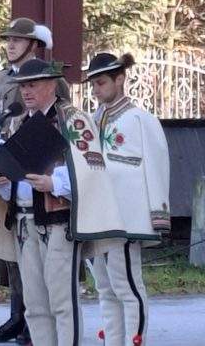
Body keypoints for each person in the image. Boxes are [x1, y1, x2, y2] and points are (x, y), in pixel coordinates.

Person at [0, 58, 126, 346]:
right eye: (23, 86)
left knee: (62, 301)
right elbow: (13, 175)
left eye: (32, 85)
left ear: (52, 85)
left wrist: (55, 183)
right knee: (36, 305)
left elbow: (93, 166)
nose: (25, 91)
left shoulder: (72, 118)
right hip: (24, 222)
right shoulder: (15, 123)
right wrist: (1, 180)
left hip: (59, 221)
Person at [0, 17, 70, 345]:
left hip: (47, 197)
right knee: (19, 268)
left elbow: (60, 136)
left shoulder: (55, 88)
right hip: (13, 187)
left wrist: (52, 180)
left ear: (34, 45)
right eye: (8, 40)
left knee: (51, 284)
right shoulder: (1, 80)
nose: (11, 45)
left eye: (18, 40)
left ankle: (36, 328)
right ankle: (19, 318)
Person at [86, 53, 170, 346]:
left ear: (120, 79)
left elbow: (157, 167)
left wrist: (156, 215)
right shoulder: (91, 121)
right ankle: (113, 341)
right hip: (96, 217)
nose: (95, 90)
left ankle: (136, 341)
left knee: (128, 287)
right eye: (92, 85)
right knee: (104, 288)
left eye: (101, 83)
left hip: (126, 217)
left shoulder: (140, 120)